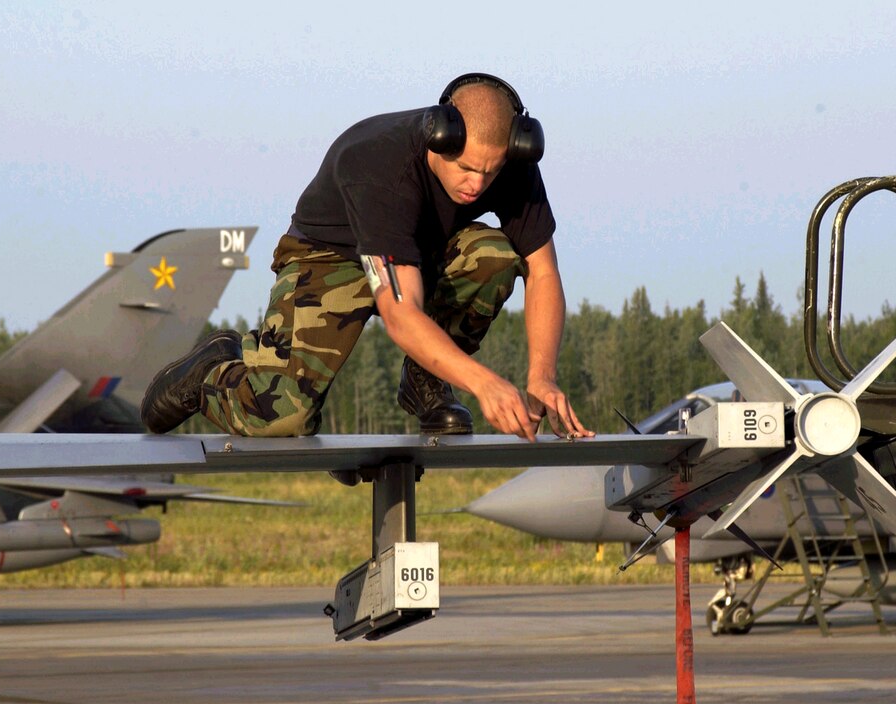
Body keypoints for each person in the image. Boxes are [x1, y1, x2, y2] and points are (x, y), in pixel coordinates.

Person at [141, 73, 593, 442]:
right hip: (327, 258)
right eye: (466, 168)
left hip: (420, 250)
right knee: (284, 418)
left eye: (490, 172)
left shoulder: (510, 165)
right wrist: (484, 383)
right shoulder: (380, 170)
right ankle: (210, 371)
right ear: (440, 137)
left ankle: (424, 381)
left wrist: (542, 376)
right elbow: (400, 314)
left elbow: (544, 271)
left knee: (492, 255)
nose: (477, 184)